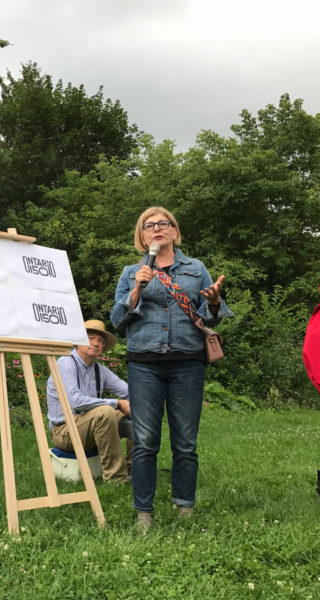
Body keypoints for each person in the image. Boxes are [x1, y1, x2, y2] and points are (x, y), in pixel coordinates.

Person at [111, 206, 232, 532]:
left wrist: (214, 302)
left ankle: (184, 509)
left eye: (163, 223)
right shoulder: (131, 272)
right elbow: (117, 321)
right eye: (149, 226)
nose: (157, 229)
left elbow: (213, 316)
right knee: (146, 440)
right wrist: (137, 288)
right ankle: (144, 514)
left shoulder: (196, 269)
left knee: (185, 442)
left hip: (187, 363)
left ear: (174, 232)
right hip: (144, 365)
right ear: (142, 236)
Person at [45, 319, 132, 484]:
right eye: (90, 338)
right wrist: (117, 403)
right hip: (64, 431)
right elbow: (76, 401)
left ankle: (132, 470)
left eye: (101, 341)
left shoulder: (99, 370)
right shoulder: (65, 362)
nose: (96, 343)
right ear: (78, 342)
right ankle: (115, 479)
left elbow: (128, 391)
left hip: (89, 427)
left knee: (137, 414)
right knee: (106, 411)